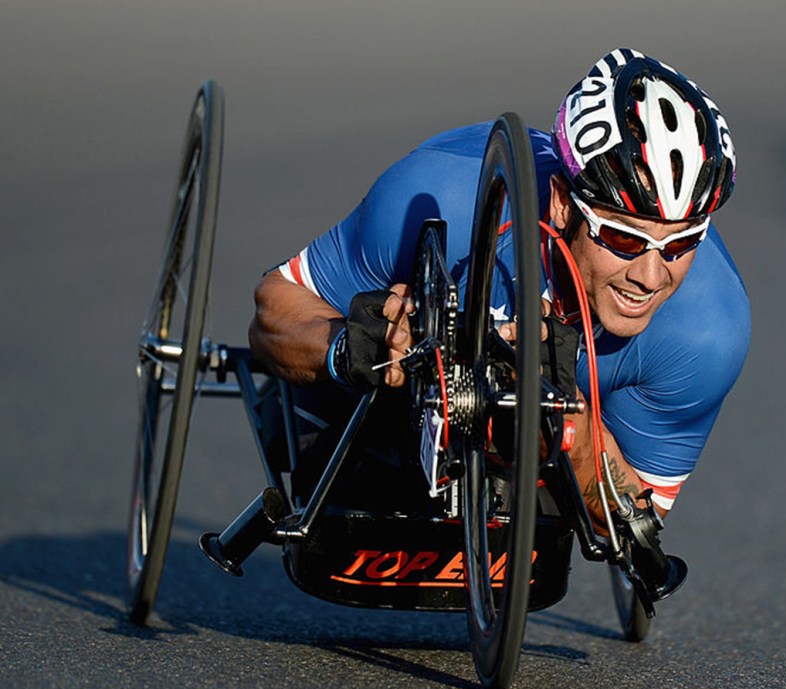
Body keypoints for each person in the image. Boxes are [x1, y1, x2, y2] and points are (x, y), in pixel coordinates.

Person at [249, 48, 750, 526]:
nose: (650, 275)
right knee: (312, 436)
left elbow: (632, 518)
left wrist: (571, 433)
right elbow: (274, 309)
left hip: (534, 458)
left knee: (534, 484)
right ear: (561, 205)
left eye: (683, 243)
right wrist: (347, 347)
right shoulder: (437, 195)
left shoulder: (710, 326)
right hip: (387, 405)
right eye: (622, 237)